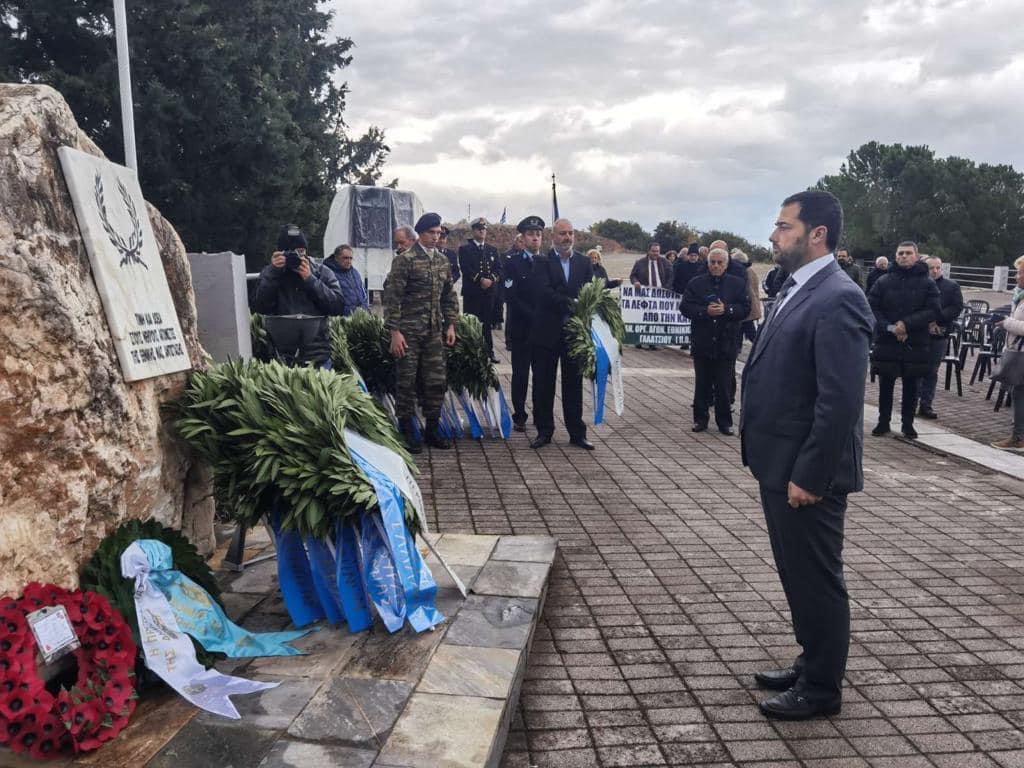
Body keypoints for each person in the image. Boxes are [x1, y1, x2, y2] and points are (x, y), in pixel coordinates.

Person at [741, 190, 872, 721]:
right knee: (797, 574)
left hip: (807, 473)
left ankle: (822, 689)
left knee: (817, 578)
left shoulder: (839, 296)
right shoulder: (799, 287)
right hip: (780, 463)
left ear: (817, 233)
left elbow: (840, 401)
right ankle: (812, 658)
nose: (774, 235)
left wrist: (811, 474)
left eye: (783, 226)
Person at [383, 212, 459, 454]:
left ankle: (432, 430)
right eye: (431, 233)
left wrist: (451, 325)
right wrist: (394, 332)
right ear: (420, 234)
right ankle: (406, 431)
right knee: (406, 381)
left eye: (439, 233)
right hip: (408, 332)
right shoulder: (405, 260)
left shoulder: (442, 261)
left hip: (434, 331)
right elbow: (392, 299)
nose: (436, 237)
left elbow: (449, 296)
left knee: (436, 382)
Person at [529, 218, 594, 450]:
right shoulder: (541, 261)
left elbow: (590, 292)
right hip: (546, 333)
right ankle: (544, 431)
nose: (567, 237)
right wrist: (573, 303)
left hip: (573, 334)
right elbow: (543, 293)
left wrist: (585, 306)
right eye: (562, 233)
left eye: (570, 233)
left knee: (573, 385)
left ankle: (577, 432)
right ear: (553, 236)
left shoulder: (585, 263)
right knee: (543, 384)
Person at [867, 241, 940, 439]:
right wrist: (891, 328)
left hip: (914, 341)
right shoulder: (883, 281)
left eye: (908, 253)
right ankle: (883, 422)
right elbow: (873, 308)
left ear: (916, 256)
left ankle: (908, 424)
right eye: (900, 253)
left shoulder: (927, 283)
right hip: (888, 340)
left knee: (911, 386)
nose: (904, 256)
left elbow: (933, 310)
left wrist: (907, 324)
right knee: (886, 385)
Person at [252, 224, 345, 367]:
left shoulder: (321, 272)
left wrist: (310, 280)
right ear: (279, 252)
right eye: (289, 252)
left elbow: (337, 306)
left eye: (300, 251)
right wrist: (274, 273)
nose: (295, 257)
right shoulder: (271, 273)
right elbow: (259, 306)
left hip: (318, 354)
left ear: (306, 251)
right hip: (281, 356)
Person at [680, 248, 749, 435]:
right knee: (702, 383)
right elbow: (685, 307)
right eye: (713, 262)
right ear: (708, 263)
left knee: (724, 385)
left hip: (726, 342)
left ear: (726, 264)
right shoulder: (696, 283)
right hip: (703, 340)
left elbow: (745, 308)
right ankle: (700, 419)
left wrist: (727, 310)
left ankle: (724, 422)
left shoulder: (738, 284)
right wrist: (704, 311)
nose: (716, 266)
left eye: (720, 262)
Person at [504, 216, 544, 431]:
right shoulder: (512, 263)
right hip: (522, 330)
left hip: (543, 332)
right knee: (520, 375)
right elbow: (511, 296)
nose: (535, 238)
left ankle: (540, 414)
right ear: (523, 237)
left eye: (538, 234)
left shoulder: (548, 263)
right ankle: (519, 415)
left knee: (541, 377)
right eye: (531, 234)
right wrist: (534, 315)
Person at [916, 256, 963, 419]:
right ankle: (912, 400)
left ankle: (926, 404)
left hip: (939, 334)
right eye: (931, 268)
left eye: (938, 268)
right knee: (915, 369)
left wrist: (937, 317)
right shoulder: (918, 284)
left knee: (931, 370)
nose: (935, 271)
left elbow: (956, 307)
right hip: (918, 332)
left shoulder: (951, 286)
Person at [991, 254, 1024, 451]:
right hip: (1017, 349)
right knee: (1018, 392)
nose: (1016, 276)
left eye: (1020, 272)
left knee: (1020, 393)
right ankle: (1018, 435)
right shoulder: (1019, 296)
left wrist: (1006, 323)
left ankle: (1018, 438)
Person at [458, 218, 501, 363]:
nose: (482, 231)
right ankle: (470, 353)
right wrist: (480, 280)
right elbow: (466, 268)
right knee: (471, 324)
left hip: (488, 294)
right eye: (479, 229)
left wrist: (491, 280)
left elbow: (499, 269)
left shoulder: (492, 250)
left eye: (484, 229)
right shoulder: (465, 249)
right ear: (473, 231)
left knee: (487, 324)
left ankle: (489, 352)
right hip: (473, 293)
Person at [630, 242, 673, 349]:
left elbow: (672, 276)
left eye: (657, 251)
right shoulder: (640, 262)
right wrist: (635, 282)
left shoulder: (665, 262)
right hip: (644, 295)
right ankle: (639, 340)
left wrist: (667, 287)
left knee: (655, 319)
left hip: (660, 295)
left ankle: (652, 341)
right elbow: (633, 276)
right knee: (642, 318)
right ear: (648, 251)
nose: (656, 253)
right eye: (653, 251)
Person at [324, 244, 370, 316]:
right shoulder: (328, 273)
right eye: (345, 258)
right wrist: (350, 311)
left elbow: (364, 294)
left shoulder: (355, 273)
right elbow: (329, 300)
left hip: (360, 318)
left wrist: (365, 309)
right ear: (336, 258)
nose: (349, 261)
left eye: (351, 258)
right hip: (341, 320)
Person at [731, 250, 763, 344]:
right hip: (752, 304)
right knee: (745, 329)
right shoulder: (750, 270)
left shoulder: (741, 272)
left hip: (746, 305)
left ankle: (760, 346)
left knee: (748, 331)